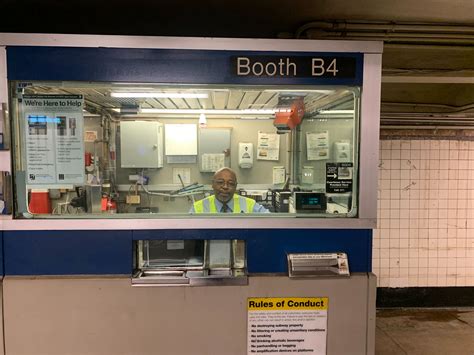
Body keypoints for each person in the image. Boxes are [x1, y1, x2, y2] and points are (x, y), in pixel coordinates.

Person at [190, 167, 269, 213]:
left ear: (235, 187)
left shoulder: (249, 205)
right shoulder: (198, 208)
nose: (225, 187)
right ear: (212, 185)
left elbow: (272, 221)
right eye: (220, 182)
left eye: (231, 183)